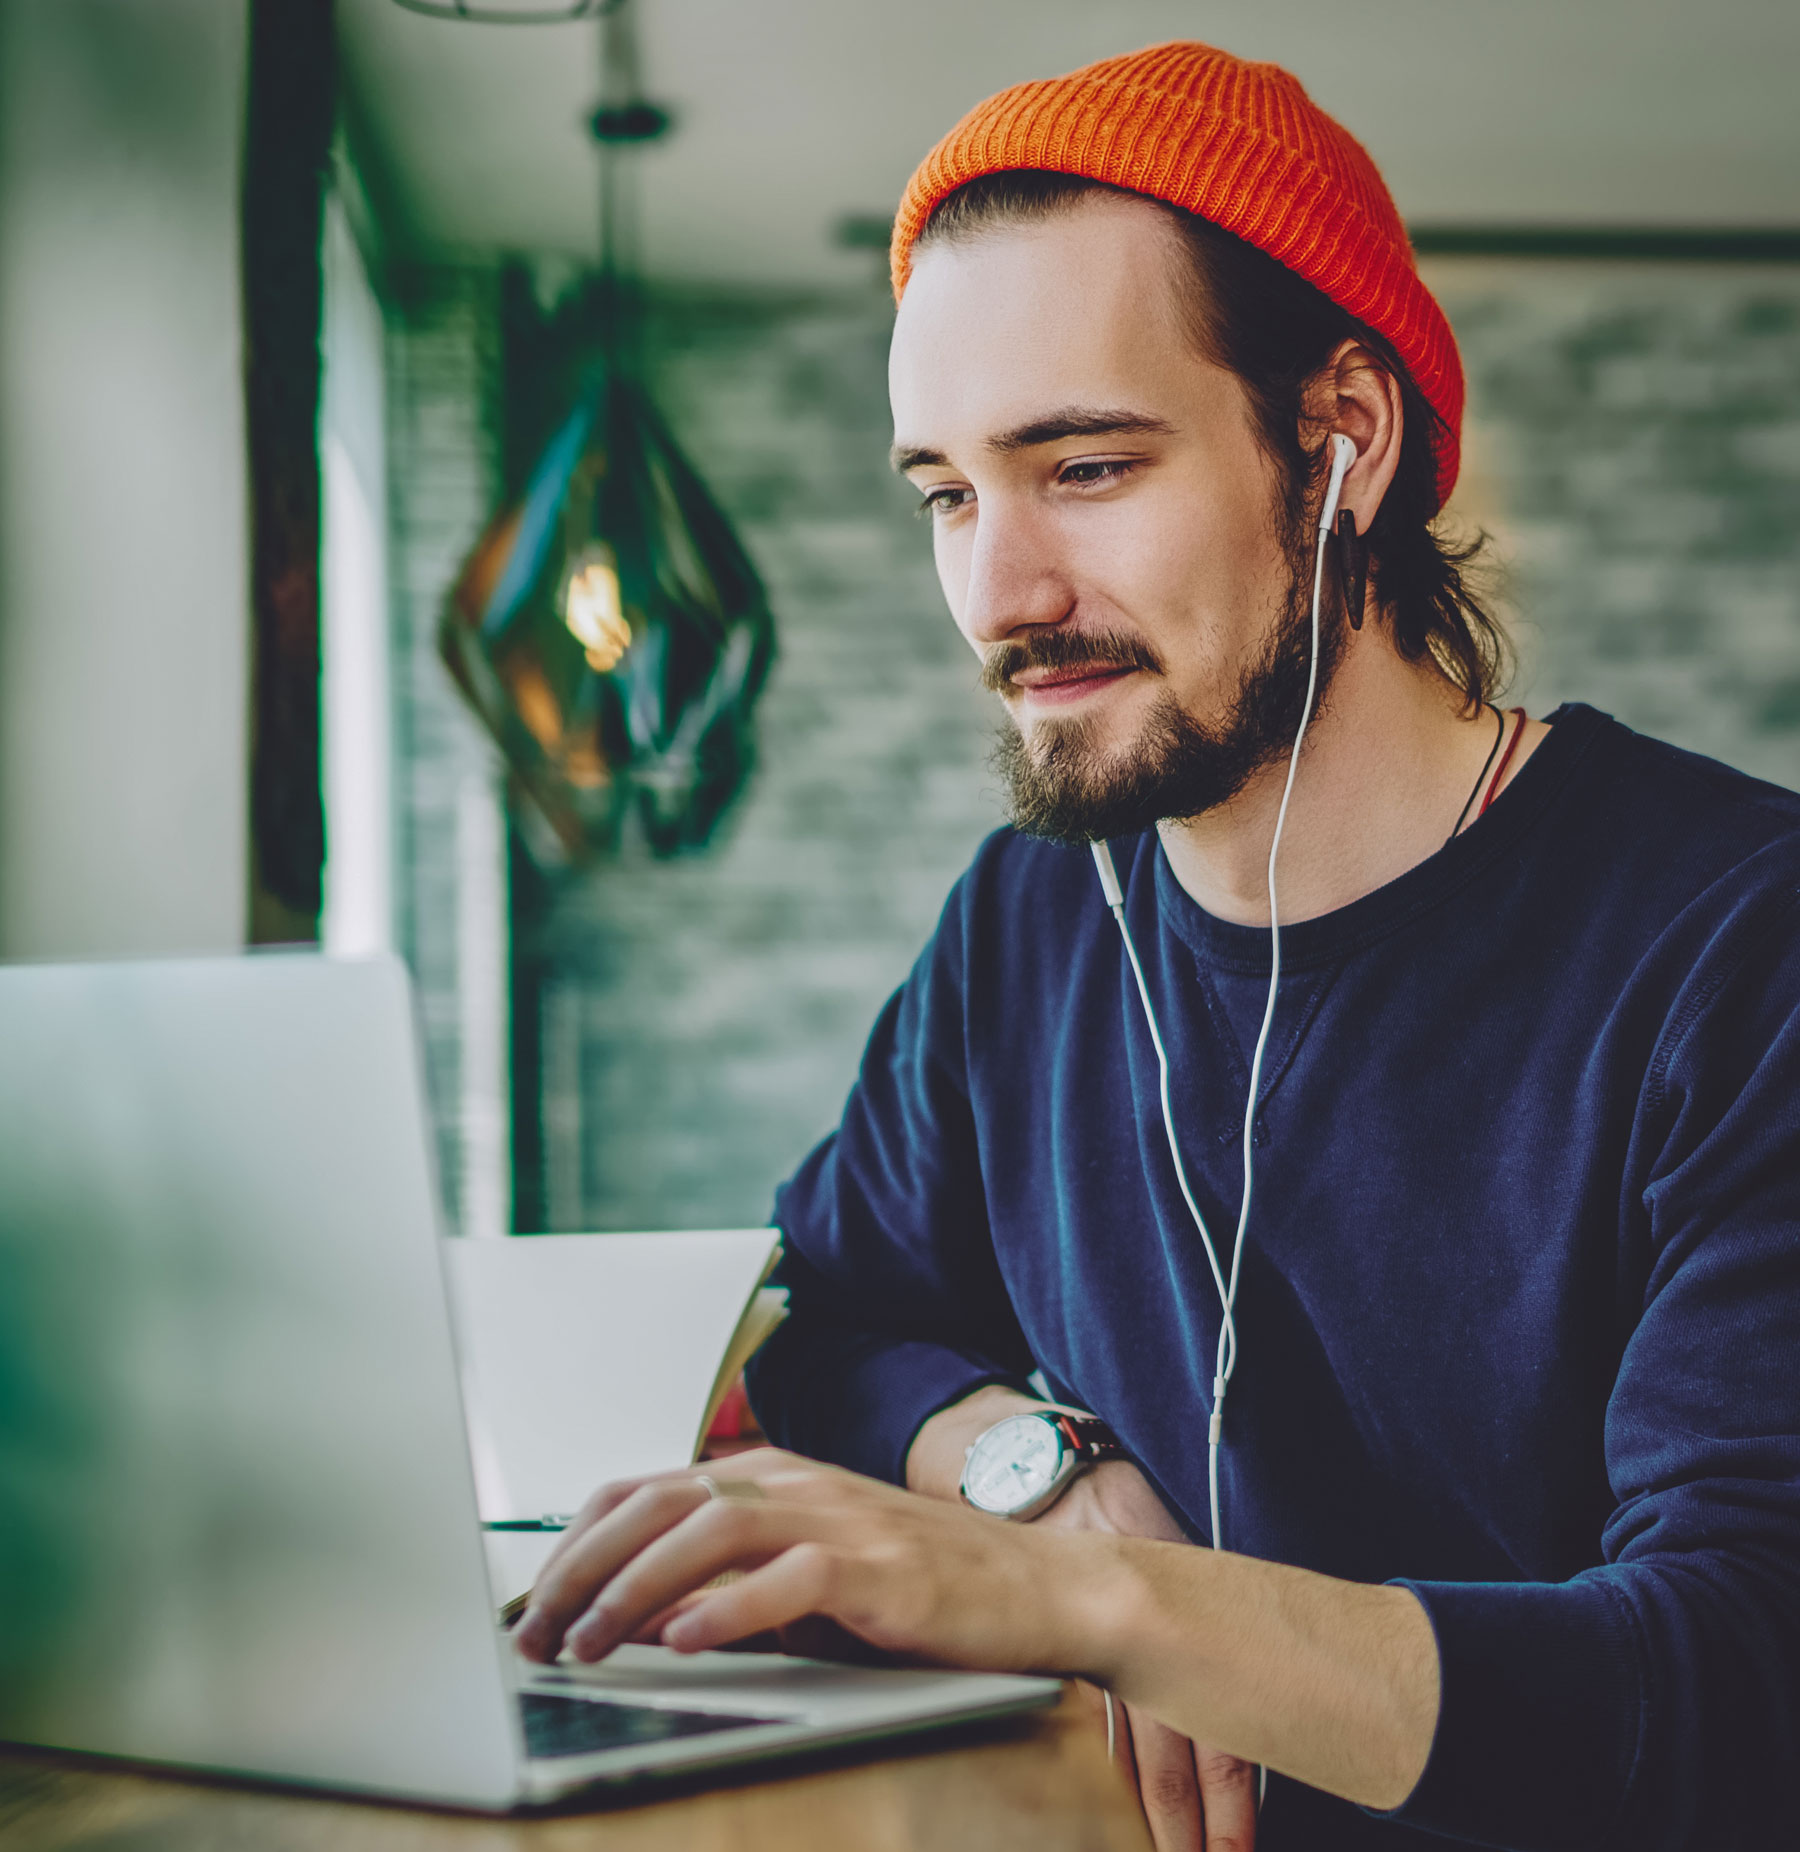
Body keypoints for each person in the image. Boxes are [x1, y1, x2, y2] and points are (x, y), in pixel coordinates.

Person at [514, 42, 1800, 1852]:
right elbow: (825, 1318)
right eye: (948, 494)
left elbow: (1738, 1683)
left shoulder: (1739, 941)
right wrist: (1046, 1481)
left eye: (1086, 467)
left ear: (1339, 437)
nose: (998, 594)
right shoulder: (1030, 924)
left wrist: (1104, 1610)